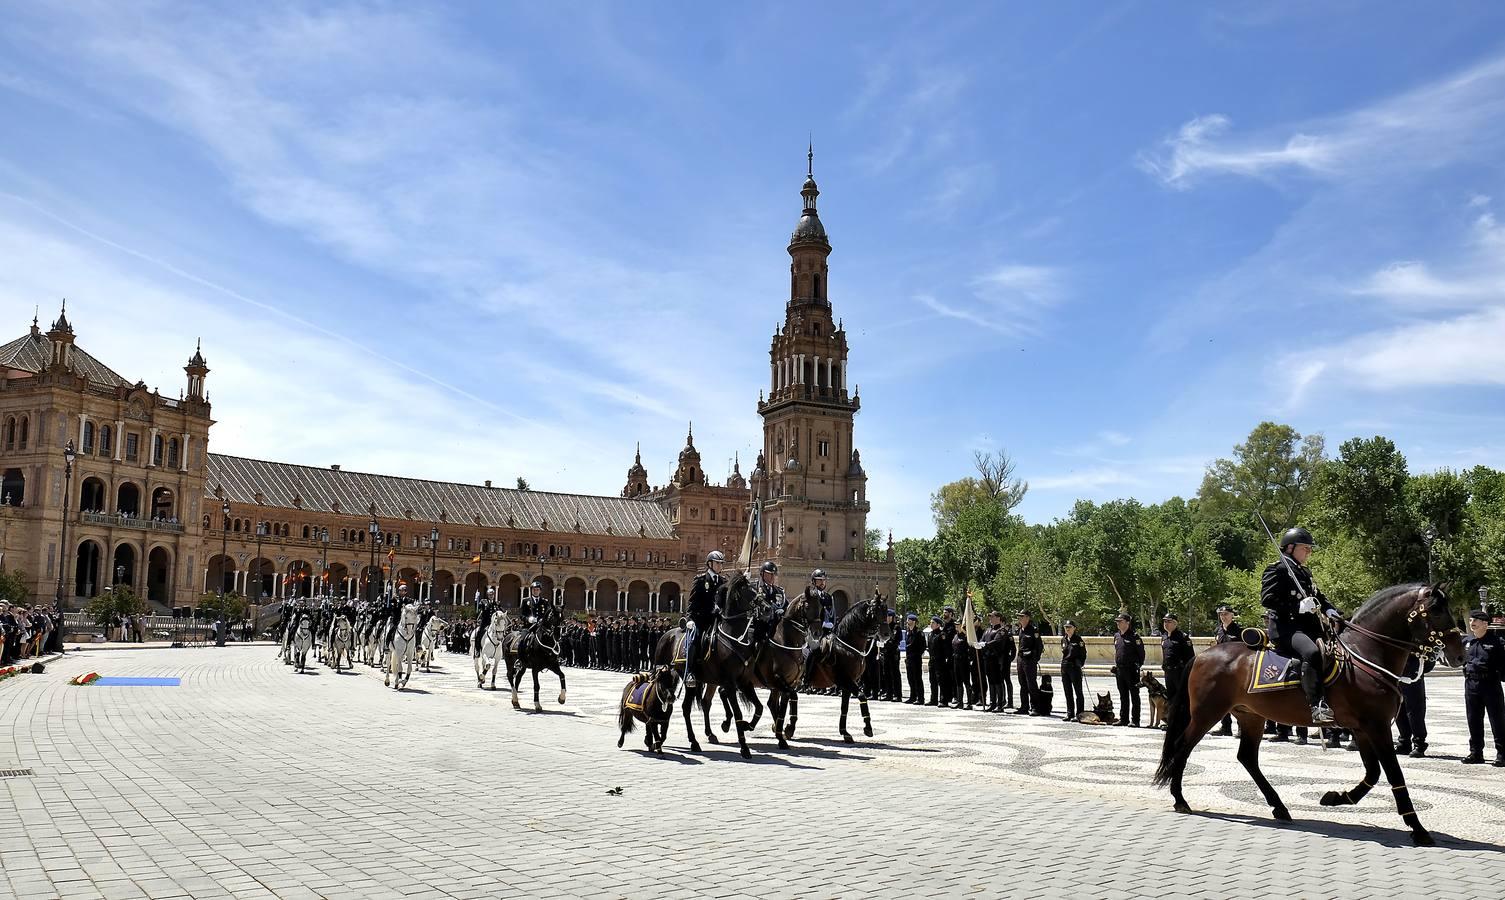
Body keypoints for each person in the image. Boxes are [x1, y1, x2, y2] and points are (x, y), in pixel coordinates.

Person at [1260, 526, 1344, 725]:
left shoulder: (1304, 572)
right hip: (1286, 628)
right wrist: (1296, 607)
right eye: (1305, 548)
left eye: (1309, 548)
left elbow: (1318, 596)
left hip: (1309, 627)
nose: (1309, 552)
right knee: (1312, 653)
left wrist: (1330, 610)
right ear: (1290, 547)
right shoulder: (1277, 569)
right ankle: (1317, 705)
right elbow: (1268, 599)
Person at [1461, 609, 1505, 766]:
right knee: (1473, 719)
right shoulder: (1467, 642)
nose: (1472, 622)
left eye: (1476, 620)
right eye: (1471, 619)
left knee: (1497, 720)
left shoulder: (1497, 643)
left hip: (1490, 684)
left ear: (1485, 624)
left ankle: (1502, 753)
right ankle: (1476, 753)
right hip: (1471, 684)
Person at [798, 569, 833, 689]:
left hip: (827, 631)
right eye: (819, 580)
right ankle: (807, 679)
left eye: (823, 580)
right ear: (814, 582)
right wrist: (822, 624)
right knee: (815, 650)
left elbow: (832, 613)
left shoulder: (829, 597)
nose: (822, 583)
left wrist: (832, 624)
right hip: (813, 631)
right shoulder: (810, 596)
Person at [1394, 657, 1434, 757]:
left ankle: (1419, 743)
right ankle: (1404, 742)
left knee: (1414, 711)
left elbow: (1429, 661)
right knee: (1399, 710)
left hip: (1413, 673)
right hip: (1398, 673)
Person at [1212, 605, 1242, 736]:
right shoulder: (1218, 631)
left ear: (1232, 615)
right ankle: (1226, 726)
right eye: (1221, 614)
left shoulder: (1239, 631)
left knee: (1238, 700)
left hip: (1235, 669)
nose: (1223, 617)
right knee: (1221, 700)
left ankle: (1242, 726)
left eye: (1226, 614)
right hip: (1221, 669)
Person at [1112, 612, 1144, 727]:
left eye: (1120, 621)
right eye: (1117, 622)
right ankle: (1123, 718)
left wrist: (1137, 666)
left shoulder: (1135, 637)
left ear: (1127, 623)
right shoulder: (1117, 636)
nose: (1118, 624)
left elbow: (1141, 654)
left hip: (1131, 670)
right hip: (1120, 670)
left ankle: (1135, 720)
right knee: (1123, 695)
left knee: (1134, 695)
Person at [1160, 613, 1195, 704]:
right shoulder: (1164, 637)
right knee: (1171, 697)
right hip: (1168, 671)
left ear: (1175, 623)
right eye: (1164, 621)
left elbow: (1190, 657)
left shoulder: (1183, 637)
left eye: (1169, 621)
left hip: (1179, 672)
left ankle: (1184, 718)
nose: (1166, 623)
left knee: (1182, 697)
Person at [1014, 609, 1043, 715]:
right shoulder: (1021, 629)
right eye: (1019, 617)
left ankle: (1035, 707)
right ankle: (1024, 706)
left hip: (1030, 661)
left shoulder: (1034, 630)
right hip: (1021, 659)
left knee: (1031, 684)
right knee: (1022, 683)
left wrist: (1035, 658)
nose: (1020, 619)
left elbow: (1039, 646)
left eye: (1022, 616)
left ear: (1027, 618)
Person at [980, 611, 1009, 713]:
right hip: (987, 659)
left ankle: (1000, 704)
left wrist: (985, 644)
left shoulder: (1001, 631)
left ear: (998, 618)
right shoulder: (988, 630)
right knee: (991, 681)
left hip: (996, 660)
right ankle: (992, 703)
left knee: (998, 681)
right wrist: (979, 644)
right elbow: (982, 640)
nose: (990, 619)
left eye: (992, 617)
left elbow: (997, 642)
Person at [1059, 620, 1087, 721]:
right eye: (1066, 627)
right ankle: (1069, 713)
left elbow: (1083, 654)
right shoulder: (1064, 639)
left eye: (1069, 627)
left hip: (1074, 668)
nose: (1067, 629)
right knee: (1067, 691)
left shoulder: (1078, 640)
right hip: (1065, 667)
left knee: (1078, 692)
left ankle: (1079, 714)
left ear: (1074, 628)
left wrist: (1079, 664)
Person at [926, 614, 950, 706]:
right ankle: (933, 699)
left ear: (938, 625)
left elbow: (945, 648)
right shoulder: (930, 634)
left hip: (940, 661)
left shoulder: (942, 634)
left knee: (941, 681)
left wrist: (945, 658)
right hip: (932, 660)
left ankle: (943, 700)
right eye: (931, 623)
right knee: (932, 681)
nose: (931, 624)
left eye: (933, 623)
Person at [903, 613, 925, 704]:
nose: (907, 622)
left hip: (916, 659)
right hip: (909, 659)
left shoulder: (919, 633)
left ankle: (920, 698)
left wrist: (917, 655)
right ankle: (913, 696)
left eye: (909, 620)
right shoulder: (908, 633)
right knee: (910, 678)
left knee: (917, 679)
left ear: (914, 622)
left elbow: (922, 647)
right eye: (907, 620)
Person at [880, 609, 901, 701]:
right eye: (886, 617)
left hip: (893, 653)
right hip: (886, 653)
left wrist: (884, 643)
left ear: (892, 617)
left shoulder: (896, 628)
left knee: (895, 674)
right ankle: (889, 693)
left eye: (889, 616)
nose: (887, 618)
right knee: (886, 674)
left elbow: (895, 640)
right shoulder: (885, 627)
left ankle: (897, 694)